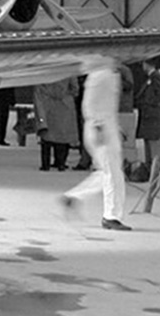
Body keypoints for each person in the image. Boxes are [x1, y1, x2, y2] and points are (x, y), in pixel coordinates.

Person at [61, 55, 131, 230]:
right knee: (112, 174)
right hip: (102, 130)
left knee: (108, 172)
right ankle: (111, 216)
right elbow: (91, 105)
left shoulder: (104, 74)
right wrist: (100, 126)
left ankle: (74, 197)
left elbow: (105, 105)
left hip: (105, 128)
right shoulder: (102, 75)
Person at [132, 59, 160, 183]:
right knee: (148, 143)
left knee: (153, 144)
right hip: (148, 115)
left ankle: (154, 171)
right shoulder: (151, 77)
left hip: (153, 116)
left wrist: (149, 103)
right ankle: (150, 170)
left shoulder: (155, 76)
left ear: (147, 64)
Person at [33, 76, 78, 171]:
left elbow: (38, 87)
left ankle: (45, 164)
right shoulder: (69, 70)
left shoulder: (45, 69)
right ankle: (61, 163)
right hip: (64, 104)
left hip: (46, 103)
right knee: (62, 135)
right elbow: (75, 88)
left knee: (46, 135)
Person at [117, 61, 138, 171]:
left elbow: (129, 85)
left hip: (124, 109)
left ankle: (128, 163)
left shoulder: (124, 70)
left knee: (126, 139)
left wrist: (116, 81)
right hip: (115, 109)